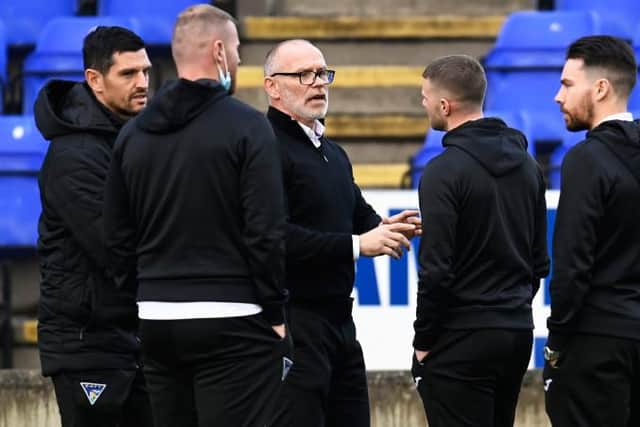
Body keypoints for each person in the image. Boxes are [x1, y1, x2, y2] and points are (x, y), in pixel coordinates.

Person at [103, 5, 290, 427]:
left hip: (156, 320)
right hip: (233, 319)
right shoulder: (248, 126)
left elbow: (115, 237)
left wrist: (142, 298)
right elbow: (265, 232)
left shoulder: (131, 135)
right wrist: (276, 313)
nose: (240, 60)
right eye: (239, 50)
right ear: (220, 52)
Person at [263, 39, 421, 427]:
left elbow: (356, 211)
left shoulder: (333, 152)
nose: (318, 83)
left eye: (322, 73)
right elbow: (276, 237)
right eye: (304, 75)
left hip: (340, 324)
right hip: (293, 322)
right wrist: (357, 245)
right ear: (272, 87)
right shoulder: (263, 147)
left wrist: (384, 228)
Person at [412, 55, 549, 427]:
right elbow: (540, 263)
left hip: (459, 338)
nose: (422, 104)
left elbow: (436, 269)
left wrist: (422, 341)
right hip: (516, 332)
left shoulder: (442, 172)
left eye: (425, 97)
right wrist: (509, 310)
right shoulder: (528, 166)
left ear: (445, 105)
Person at [35, 26, 153, 427]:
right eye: (128, 74)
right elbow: (117, 248)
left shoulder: (137, 138)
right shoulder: (74, 155)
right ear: (94, 80)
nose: (143, 84)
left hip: (131, 338)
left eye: (146, 71)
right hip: (89, 344)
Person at [544, 35, 640, 427]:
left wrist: (556, 344)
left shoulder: (586, 158)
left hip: (598, 343)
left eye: (567, 84)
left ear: (600, 88)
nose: (557, 97)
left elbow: (571, 264)